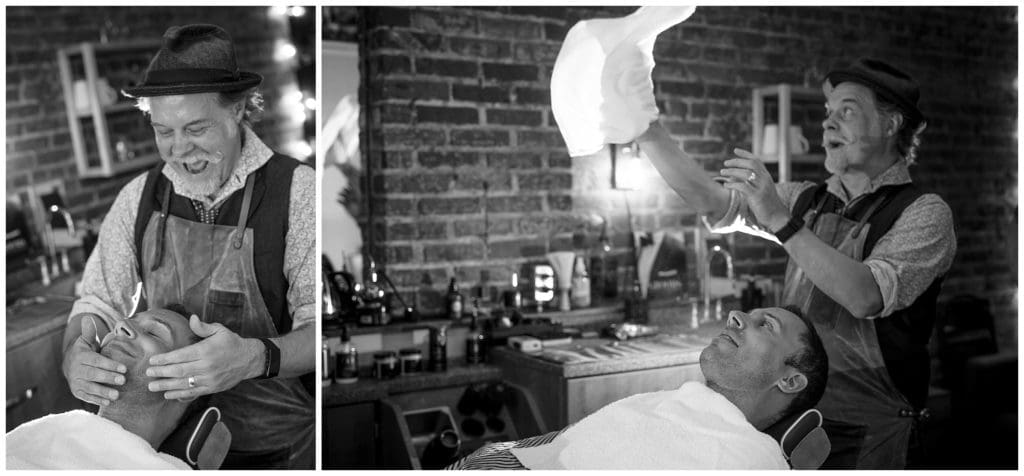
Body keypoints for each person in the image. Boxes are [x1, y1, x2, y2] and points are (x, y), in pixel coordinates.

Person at [636, 58, 956, 468]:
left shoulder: (924, 213)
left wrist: (781, 222)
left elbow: (865, 296)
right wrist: (647, 130)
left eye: (847, 110)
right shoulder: (805, 200)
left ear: (892, 124)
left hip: (875, 436)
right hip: (791, 425)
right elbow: (712, 200)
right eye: (827, 113)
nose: (827, 123)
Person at [60, 24, 316, 469]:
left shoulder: (299, 194)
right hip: (167, 447)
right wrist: (73, 356)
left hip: (273, 444)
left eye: (197, 128)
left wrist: (253, 358)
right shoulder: (138, 198)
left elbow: (322, 336)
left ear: (238, 111)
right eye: (164, 131)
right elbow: (97, 303)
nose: (180, 151)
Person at [450, 306, 829, 470]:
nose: (736, 317)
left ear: (790, 380)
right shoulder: (665, 404)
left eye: (766, 326)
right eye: (750, 313)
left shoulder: (748, 461)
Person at [9, 307, 202, 469]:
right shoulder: (42, 432)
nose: (121, 326)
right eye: (127, 320)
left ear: (187, 385)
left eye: (154, 333)